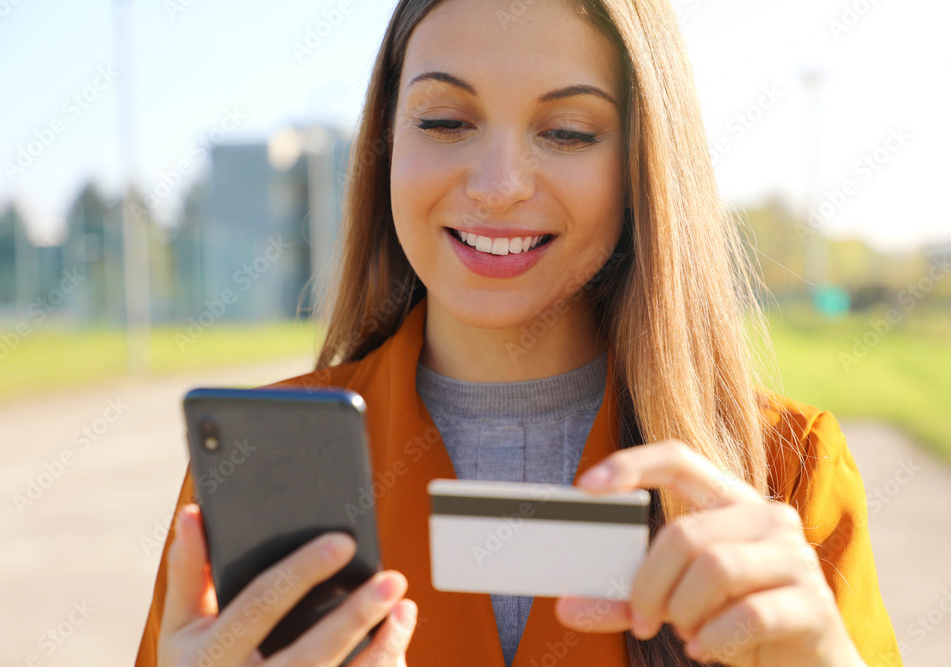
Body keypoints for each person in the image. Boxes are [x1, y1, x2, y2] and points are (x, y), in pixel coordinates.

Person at [135, 0, 904, 665]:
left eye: (567, 131)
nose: (499, 186)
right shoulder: (256, 467)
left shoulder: (784, 473)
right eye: (443, 120)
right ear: (386, 142)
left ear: (643, 165)